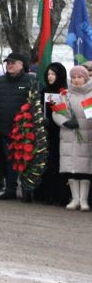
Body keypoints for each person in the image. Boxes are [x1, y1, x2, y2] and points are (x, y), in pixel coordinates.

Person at [0, 52, 38, 200]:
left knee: (26, 160)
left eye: (13, 63)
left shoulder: (30, 80)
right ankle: (10, 189)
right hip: (5, 127)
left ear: (21, 64)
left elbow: (36, 104)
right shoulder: (0, 82)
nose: (9, 65)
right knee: (10, 160)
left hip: (25, 129)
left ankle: (27, 190)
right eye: (8, 63)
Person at [52, 65, 92, 211]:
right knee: (71, 169)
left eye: (80, 77)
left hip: (86, 136)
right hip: (69, 136)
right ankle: (74, 199)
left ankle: (84, 200)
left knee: (85, 169)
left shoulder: (90, 94)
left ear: (85, 78)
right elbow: (56, 112)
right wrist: (65, 122)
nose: (76, 80)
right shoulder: (65, 95)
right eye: (74, 77)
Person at [36, 63, 68, 206]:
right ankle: (45, 193)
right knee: (46, 162)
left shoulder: (65, 93)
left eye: (53, 74)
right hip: (45, 132)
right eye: (48, 74)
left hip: (62, 132)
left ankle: (60, 194)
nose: (50, 77)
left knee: (59, 163)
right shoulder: (43, 92)